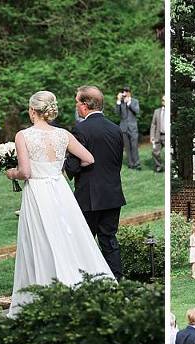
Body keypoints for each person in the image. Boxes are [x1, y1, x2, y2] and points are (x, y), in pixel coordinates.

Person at [5, 91, 114, 317]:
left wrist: (11, 173)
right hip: (60, 189)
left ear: (32, 111)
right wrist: (60, 167)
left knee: (40, 239)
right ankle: (80, 283)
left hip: (37, 191)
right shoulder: (63, 134)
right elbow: (88, 159)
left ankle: (45, 291)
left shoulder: (23, 135)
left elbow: (25, 172)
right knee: (69, 237)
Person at [64, 86, 126, 280]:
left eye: (77, 102)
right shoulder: (116, 129)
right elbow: (117, 163)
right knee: (109, 240)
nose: (76, 106)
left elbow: (73, 167)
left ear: (84, 105)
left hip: (88, 196)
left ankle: (86, 281)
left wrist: (64, 162)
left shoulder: (80, 129)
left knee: (83, 242)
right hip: (113, 194)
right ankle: (116, 280)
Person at [115, 86, 141, 170]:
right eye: (123, 91)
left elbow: (137, 111)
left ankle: (137, 163)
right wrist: (118, 101)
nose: (125, 93)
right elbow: (117, 113)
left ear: (129, 93)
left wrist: (129, 103)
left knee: (134, 146)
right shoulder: (120, 102)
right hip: (123, 128)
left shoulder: (135, 101)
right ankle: (130, 164)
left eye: (126, 91)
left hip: (133, 128)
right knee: (127, 147)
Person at [150, 95, 165, 172]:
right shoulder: (157, 111)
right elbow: (153, 124)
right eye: (163, 100)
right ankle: (159, 166)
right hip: (158, 135)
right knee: (155, 152)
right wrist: (152, 136)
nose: (164, 102)